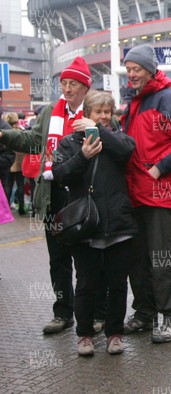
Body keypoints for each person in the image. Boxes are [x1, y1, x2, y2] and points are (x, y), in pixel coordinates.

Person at [0, 57, 108, 334]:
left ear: (85, 87)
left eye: (73, 83)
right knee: (58, 260)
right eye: (64, 83)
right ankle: (63, 313)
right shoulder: (51, 111)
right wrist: (5, 136)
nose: (67, 88)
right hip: (54, 195)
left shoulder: (95, 111)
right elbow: (34, 142)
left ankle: (97, 313)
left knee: (89, 261)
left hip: (85, 196)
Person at [121, 44, 171, 343]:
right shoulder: (136, 102)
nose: (131, 75)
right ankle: (144, 313)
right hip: (135, 193)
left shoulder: (167, 98)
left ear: (149, 70)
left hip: (159, 194)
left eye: (136, 69)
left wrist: (159, 168)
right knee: (138, 259)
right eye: (128, 70)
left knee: (161, 257)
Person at [52, 90, 136, 356]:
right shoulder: (69, 143)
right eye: (98, 112)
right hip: (85, 227)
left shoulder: (116, 139)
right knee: (87, 283)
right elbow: (60, 175)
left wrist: (98, 132)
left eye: (107, 112)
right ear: (86, 113)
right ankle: (85, 335)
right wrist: (83, 156)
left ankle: (114, 334)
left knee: (118, 284)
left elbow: (126, 150)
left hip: (117, 224)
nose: (103, 116)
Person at [3, 113, 26, 215]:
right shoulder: (21, 132)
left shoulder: (5, 133)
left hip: (8, 164)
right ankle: (21, 207)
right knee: (21, 186)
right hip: (20, 164)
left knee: (8, 186)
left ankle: (6, 208)